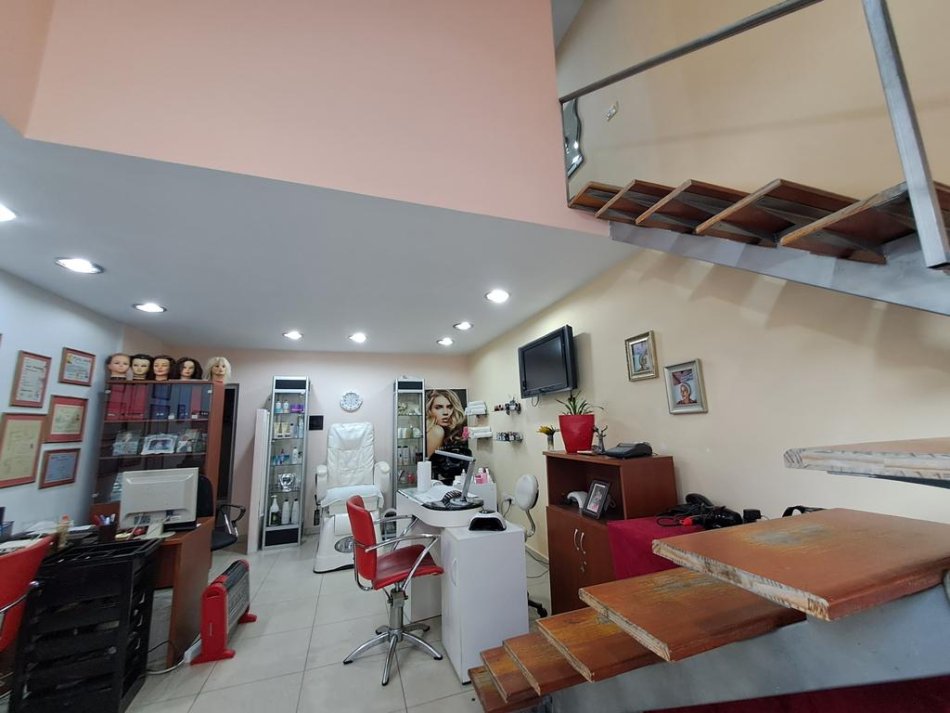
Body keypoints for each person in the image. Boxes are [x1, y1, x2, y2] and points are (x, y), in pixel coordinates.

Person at [425, 389, 466, 458]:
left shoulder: (450, 432)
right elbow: (432, 463)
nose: (445, 412)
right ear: (430, 410)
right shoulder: (437, 431)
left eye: (449, 407)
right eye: (438, 407)